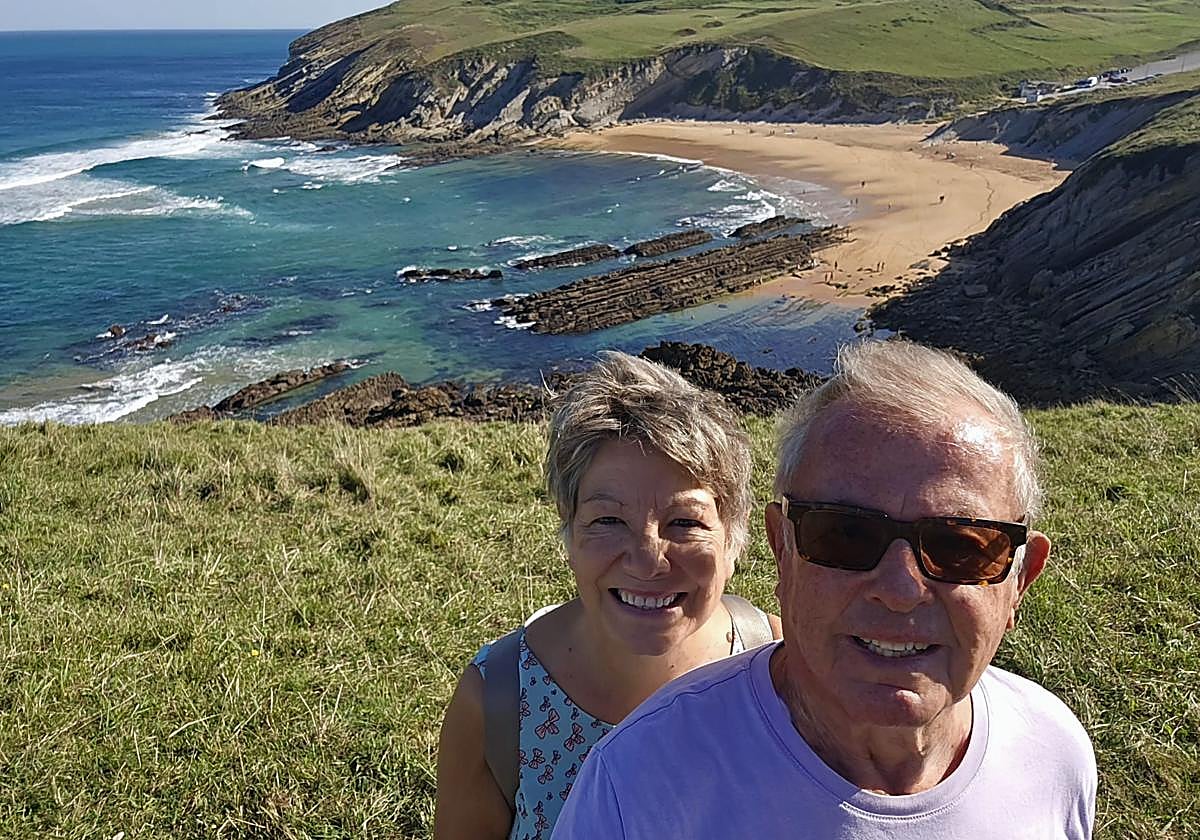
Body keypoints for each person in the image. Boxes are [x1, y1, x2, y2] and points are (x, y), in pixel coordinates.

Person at [552, 341, 1097, 838]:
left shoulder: (1054, 753)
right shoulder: (638, 786)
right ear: (781, 548)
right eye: (846, 535)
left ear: (1019, 579)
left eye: (960, 547)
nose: (901, 589)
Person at [435, 351, 781, 839]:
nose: (646, 560)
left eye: (684, 522)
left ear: (733, 540)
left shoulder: (784, 671)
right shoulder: (499, 701)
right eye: (608, 521)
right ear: (570, 538)